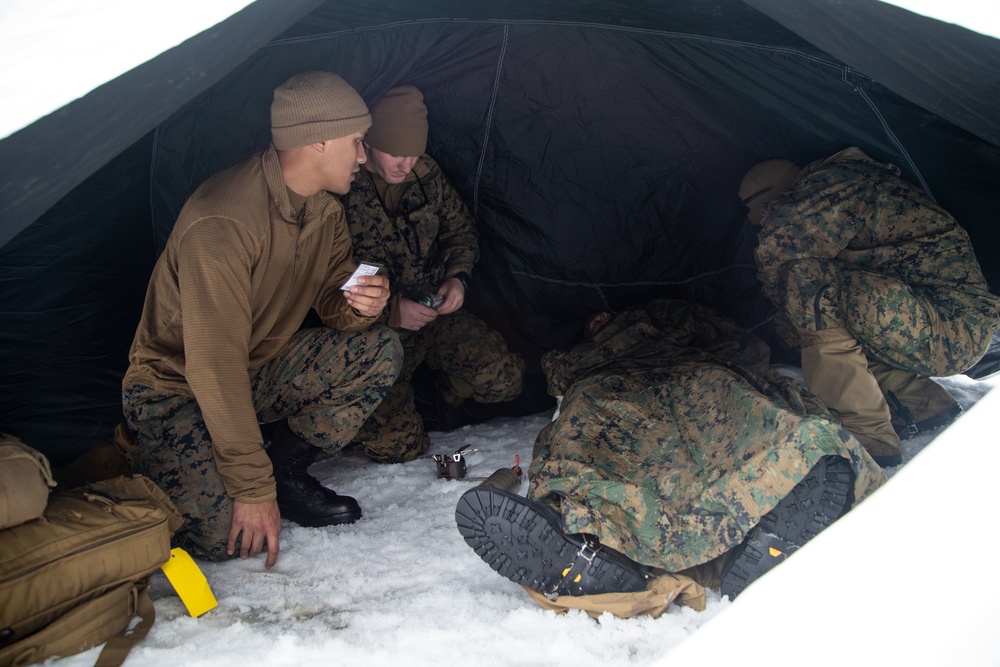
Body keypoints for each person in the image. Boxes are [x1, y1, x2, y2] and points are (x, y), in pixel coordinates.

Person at [121, 72, 403, 568]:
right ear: (317, 140)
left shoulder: (323, 210)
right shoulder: (223, 223)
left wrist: (362, 305)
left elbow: (334, 303)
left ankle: (281, 469)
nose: (363, 156)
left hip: (251, 373)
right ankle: (155, 456)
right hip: (174, 388)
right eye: (356, 141)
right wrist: (251, 492)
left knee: (378, 349)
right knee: (219, 538)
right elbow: (212, 367)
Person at [455, 298, 886, 615]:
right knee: (579, 434)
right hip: (607, 386)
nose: (600, 322)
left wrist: (667, 333)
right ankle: (587, 544)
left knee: (740, 409)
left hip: (690, 370)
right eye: (592, 323)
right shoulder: (577, 358)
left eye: (605, 316)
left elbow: (739, 343)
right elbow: (560, 381)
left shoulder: (672, 317)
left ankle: (783, 494)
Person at [740, 147, 1000, 466]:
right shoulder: (836, 186)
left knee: (805, 280)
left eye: (767, 215)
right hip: (934, 323)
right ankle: (921, 404)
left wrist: (778, 279)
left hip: (953, 325)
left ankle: (868, 435)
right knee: (794, 323)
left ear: (776, 199)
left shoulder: (836, 183)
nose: (765, 225)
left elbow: (780, 251)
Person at [342, 84, 525, 464]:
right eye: (396, 152)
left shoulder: (425, 175)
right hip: (377, 335)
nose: (405, 164)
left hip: (434, 312)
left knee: (506, 379)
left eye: (414, 153)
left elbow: (461, 231)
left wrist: (458, 278)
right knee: (398, 448)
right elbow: (325, 278)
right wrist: (393, 310)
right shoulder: (341, 186)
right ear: (370, 143)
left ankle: (446, 393)